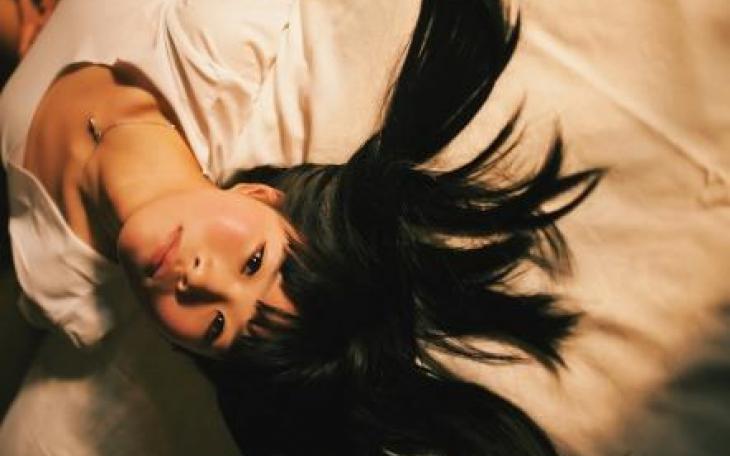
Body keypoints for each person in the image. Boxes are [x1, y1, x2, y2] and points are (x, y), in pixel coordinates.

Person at [1, 0, 600, 455]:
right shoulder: (220, 37)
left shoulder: (57, 283)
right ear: (262, 197)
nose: (202, 281)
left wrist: (24, 41)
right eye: (254, 263)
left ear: (181, 347)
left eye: (217, 327)